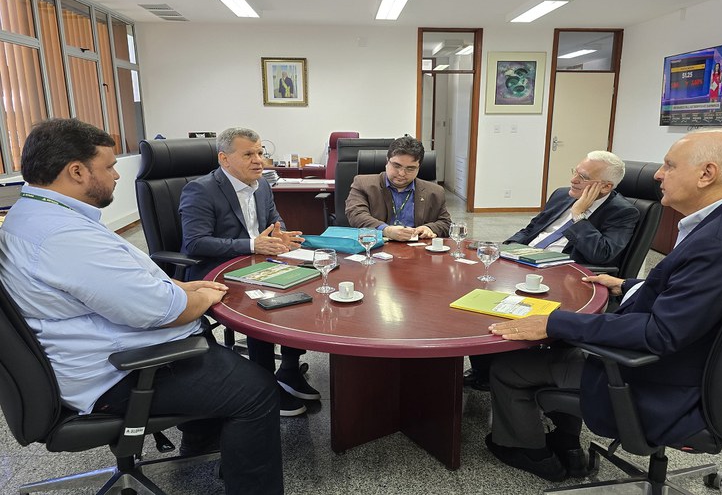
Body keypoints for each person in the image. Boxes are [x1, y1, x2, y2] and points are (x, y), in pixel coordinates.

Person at [0, 118, 283, 494]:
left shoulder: (34, 214)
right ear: (77, 171)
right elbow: (165, 313)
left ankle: (204, 443)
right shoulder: (63, 236)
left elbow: (113, 284)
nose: (117, 175)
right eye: (109, 166)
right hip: (120, 372)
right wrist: (201, 297)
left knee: (214, 353)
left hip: (94, 352)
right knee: (258, 389)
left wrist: (179, 285)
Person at [484, 129, 722, 482]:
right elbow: (699, 297)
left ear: (706, 174)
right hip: (705, 365)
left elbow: (660, 332)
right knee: (560, 344)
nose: (658, 174)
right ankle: (565, 440)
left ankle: (529, 452)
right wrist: (628, 284)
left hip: (658, 377)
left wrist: (554, 322)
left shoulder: (717, 243)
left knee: (510, 367)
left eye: (669, 165)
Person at [465, 151, 640, 391]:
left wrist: (579, 216)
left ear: (606, 186)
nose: (574, 180)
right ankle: (483, 368)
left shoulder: (622, 211)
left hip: (560, 276)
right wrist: (504, 249)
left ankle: (494, 371)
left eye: (583, 177)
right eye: (575, 172)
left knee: (497, 304)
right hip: (522, 262)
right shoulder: (561, 195)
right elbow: (531, 230)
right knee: (472, 289)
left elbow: (602, 253)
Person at [180, 127, 317, 417]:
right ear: (224, 159)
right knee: (263, 304)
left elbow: (274, 220)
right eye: (248, 154)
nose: (259, 160)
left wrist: (280, 234)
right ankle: (265, 387)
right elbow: (195, 242)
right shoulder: (201, 190)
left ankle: (289, 369)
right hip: (216, 269)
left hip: (259, 262)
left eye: (260, 153)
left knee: (305, 286)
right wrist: (253, 244)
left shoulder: (262, 184)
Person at [345, 135, 451, 240]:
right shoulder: (363, 184)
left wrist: (429, 228)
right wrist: (386, 230)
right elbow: (356, 215)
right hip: (376, 245)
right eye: (396, 166)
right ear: (387, 161)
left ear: (418, 168)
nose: (401, 173)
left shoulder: (435, 192)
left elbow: (446, 223)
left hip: (418, 247)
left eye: (410, 168)